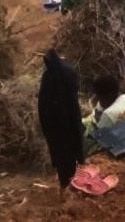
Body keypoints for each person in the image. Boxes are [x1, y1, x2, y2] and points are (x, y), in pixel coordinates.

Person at [38, 48, 85, 202]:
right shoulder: (66, 73)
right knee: (69, 159)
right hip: (66, 126)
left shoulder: (49, 78)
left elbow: (42, 108)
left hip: (55, 129)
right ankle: (69, 191)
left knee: (62, 160)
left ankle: (66, 188)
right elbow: (74, 109)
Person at [82, 75, 125, 156]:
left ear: (109, 95)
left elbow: (99, 139)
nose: (99, 101)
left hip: (120, 143)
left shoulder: (108, 114)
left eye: (100, 97)